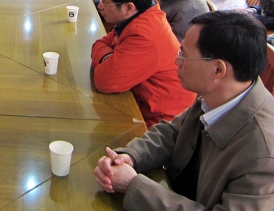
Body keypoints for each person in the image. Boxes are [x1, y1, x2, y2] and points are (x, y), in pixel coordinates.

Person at [94, 11, 274, 210]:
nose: (177, 62)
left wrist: (134, 186)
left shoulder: (263, 155)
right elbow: (173, 132)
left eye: (184, 55)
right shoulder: (219, 94)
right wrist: (130, 156)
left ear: (218, 70)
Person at [91, 0, 195, 127]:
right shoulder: (141, 15)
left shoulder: (145, 34)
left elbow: (104, 81)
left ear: (129, 7)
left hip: (159, 124)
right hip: (137, 99)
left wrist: (109, 60)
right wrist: (109, 58)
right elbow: (100, 43)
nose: (100, 6)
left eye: (105, 1)